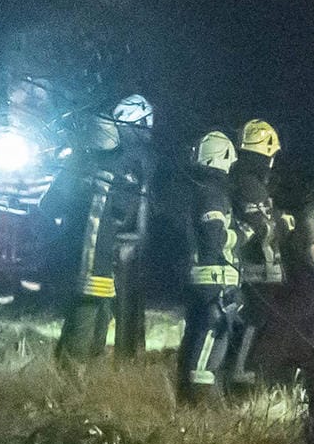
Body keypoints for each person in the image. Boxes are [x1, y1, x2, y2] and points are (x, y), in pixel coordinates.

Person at [43, 99, 150, 364]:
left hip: (75, 250)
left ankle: (75, 376)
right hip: (99, 254)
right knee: (90, 313)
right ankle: (73, 381)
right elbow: (125, 216)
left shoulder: (82, 158)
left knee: (93, 310)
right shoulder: (129, 163)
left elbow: (49, 205)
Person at [176, 131, 242, 403]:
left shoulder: (200, 190)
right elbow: (214, 235)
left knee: (196, 336)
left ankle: (189, 398)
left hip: (202, 278)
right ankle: (196, 403)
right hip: (213, 279)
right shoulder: (213, 194)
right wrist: (242, 235)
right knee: (209, 338)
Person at [227, 119, 291, 392]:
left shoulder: (243, 179)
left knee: (251, 325)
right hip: (256, 270)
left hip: (254, 269)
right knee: (252, 324)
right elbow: (261, 225)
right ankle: (241, 379)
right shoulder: (249, 183)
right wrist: (284, 224)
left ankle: (242, 375)